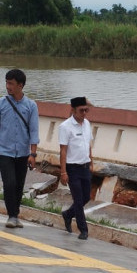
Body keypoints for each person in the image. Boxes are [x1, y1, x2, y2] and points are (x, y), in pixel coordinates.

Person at [0, 69, 39, 228]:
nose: (7, 86)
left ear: (20, 85)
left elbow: (34, 131)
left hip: (23, 153)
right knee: (9, 183)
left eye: (11, 83)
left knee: (19, 184)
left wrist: (33, 153)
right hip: (4, 151)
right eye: (6, 82)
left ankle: (15, 214)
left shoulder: (31, 106)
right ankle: (11, 215)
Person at [59, 97, 94, 240]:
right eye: (81, 110)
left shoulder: (87, 124)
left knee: (86, 197)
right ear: (73, 110)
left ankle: (67, 214)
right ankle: (83, 230)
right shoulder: (65, 126)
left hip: (85, 166)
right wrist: (63, 172)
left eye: (86, 110)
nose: (84, 113)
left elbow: (89, 145)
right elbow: (63, 151)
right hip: (72, 168)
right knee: (78, 200)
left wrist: (92, 162)